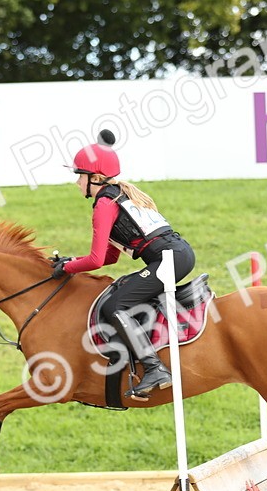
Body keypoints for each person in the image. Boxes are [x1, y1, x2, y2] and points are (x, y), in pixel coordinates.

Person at [55, 130, 196, 400]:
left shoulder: (105, 204)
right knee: (123, 293)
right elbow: (109, 258)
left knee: (113, 305)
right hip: (176, 255)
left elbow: (96, 260)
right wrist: (70, 262)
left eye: (79, 176)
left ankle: (155, 369)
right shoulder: (116, 196)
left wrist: (65, 269)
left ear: (94, 178)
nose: (76, 183)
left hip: (169, 258)